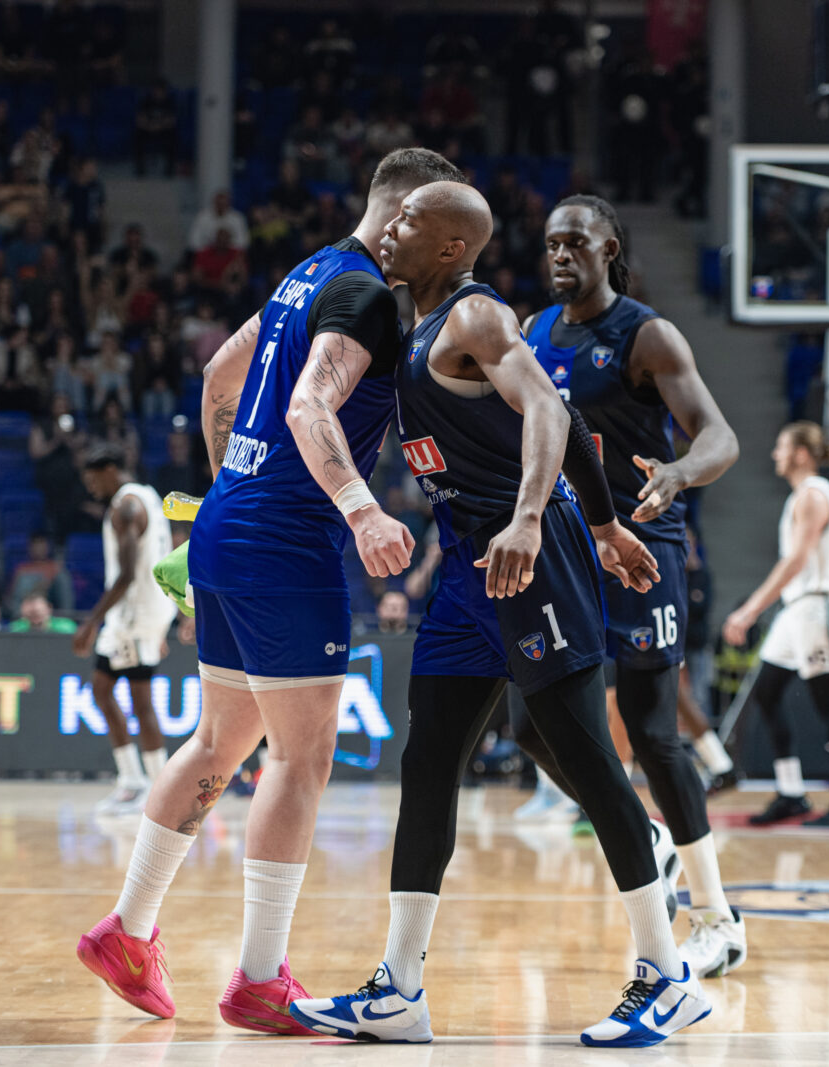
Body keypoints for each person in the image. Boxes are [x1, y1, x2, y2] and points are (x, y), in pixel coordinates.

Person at [288, 181, 708, 1048]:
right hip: (470, 573)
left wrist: (541, 520)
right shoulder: (410, 328)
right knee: (429, 761)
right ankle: (400, 986)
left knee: (590, 763)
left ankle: (668, 972)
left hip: (528, 560)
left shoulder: (478, 318)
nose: (389, 230)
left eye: (407, 222)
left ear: (449, 248)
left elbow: (554, 412)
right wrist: (607, 525)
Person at [75, 148, 466, 1031]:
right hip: (288, 544)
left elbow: (220, 377)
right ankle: (259, 978)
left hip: (227, 528)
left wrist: (230, 492)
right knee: (301, 757)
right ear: (408, 217)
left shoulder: (307, 272)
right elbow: (307, 409)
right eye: (442, 225)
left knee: (221, 739)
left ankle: (127, 930)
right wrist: (365, 511)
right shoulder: (366, 295)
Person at [518, 194, 745, 978]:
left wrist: (679, 471)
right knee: (529, 726)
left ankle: (718, 917)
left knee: (654, 733)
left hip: (641, 546)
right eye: (551, 242)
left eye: (575, 241)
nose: (560, 254)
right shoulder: (531, 334)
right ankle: (638, 829)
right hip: (566, 551)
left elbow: (720, 434)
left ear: (609, 248)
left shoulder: (646, 334)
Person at [723, 422, 829, 828]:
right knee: (766, 693)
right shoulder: (802, 496)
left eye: (782, 447)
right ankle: (791, 794)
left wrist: (750, 609)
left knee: (828, 700)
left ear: (802, 453)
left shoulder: (814, 496)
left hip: (820, 604)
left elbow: (797, 560)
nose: (775, 454)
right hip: (797, 609)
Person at [70, 446, 177, 817]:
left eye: (93, 479)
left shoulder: (126, 507)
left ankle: (151, 789)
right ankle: (136, 781)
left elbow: (128, 575)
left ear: (111, 470)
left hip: (132, 616)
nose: (91, 487)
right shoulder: (149, 496)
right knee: (103, 690)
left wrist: (92, 621)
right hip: (148, 612)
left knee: (139, 702)